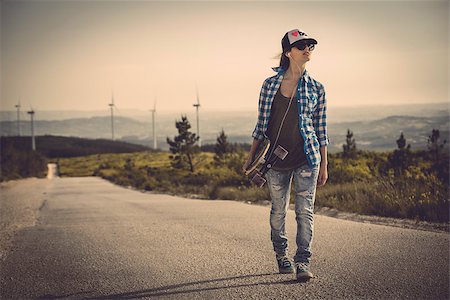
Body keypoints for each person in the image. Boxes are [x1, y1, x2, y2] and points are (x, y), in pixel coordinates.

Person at [242, 28, 329, 282]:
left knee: (305, 211)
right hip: (275, 162)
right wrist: (251, 159)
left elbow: (321, 131)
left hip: (306, 158)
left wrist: (324, 165)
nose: (307, 50)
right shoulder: (269, 86)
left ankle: (303, 260)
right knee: (278, 210)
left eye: (310, 46)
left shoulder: (317, 88)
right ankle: (282, 256)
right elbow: (261, 126)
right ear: (288, 52)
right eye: (301, 46)